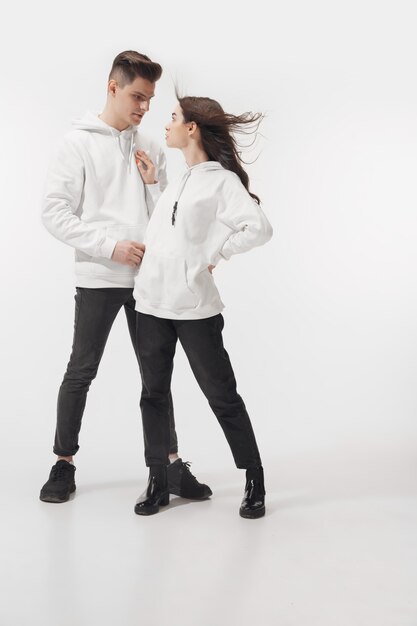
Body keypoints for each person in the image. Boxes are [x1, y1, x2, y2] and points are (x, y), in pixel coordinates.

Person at [39, 51, 211, 504]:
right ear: (113, 87)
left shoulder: (151, 146)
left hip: (148, 282)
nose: (144, 107)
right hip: (98, 276)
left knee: (156, 377)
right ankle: (63, 463)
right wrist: (110, 246)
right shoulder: (75, 143)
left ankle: (170, 466)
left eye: (151, 99)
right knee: (81, 370)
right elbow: (54, 214)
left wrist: (155, 184)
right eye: (137, 96)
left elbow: (164, 219)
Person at [132, 96, 273, 518]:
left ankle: (255, 478)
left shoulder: (221, 182)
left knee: (222, 396)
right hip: (151, 304)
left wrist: (217, 253)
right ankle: (158, 480)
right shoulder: (179, 179)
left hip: (195, 310)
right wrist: (156, 184)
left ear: (192, 128)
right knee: (153, 395)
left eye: (173, 118)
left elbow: (259, 227)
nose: (167, 124)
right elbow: (169, 232)